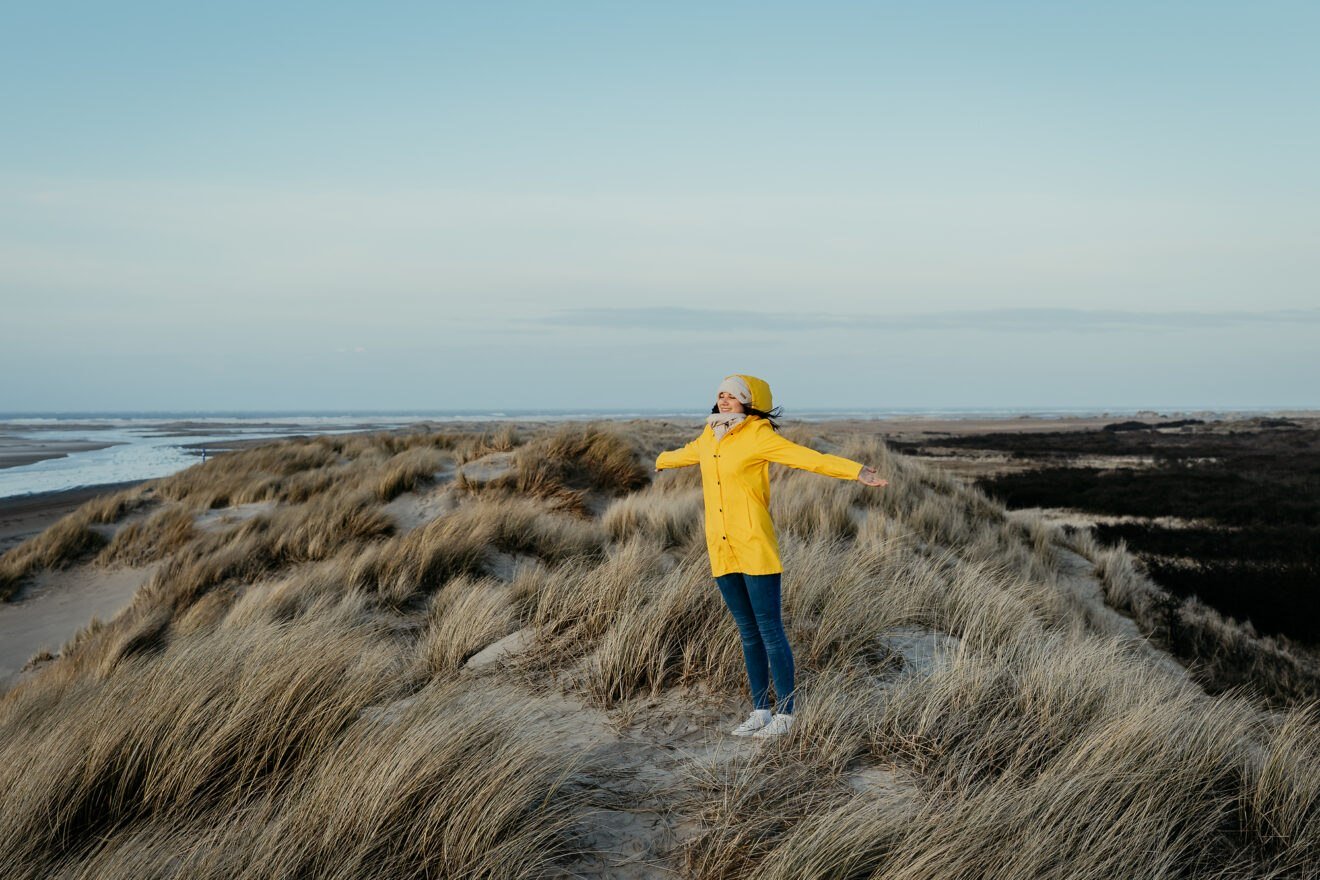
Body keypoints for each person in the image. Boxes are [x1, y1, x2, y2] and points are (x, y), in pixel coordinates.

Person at [654, 374, 888, 738]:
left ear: (750, 401)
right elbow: (685, 455)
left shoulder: (759, 435)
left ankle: (787, 713)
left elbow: (807, 458)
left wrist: (855, 471)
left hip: (754, 545)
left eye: (734, 396)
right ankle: (761, 710)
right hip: (721, 547)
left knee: (770, 630)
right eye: (721, 395)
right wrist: (659, 460)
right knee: (747, 632)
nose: (725, 400)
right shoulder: (708, 436)